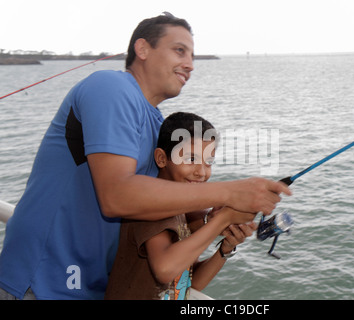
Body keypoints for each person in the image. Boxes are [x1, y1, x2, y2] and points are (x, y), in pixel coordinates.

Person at [0, 13, 290, 300]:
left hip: (89, 286)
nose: (190, 64)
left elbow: (154, 205)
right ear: (142, 49)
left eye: (192, 55)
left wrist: (210, 219)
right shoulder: (110, 88)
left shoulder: (157, 125)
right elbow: (117, 196)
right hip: (38, 281)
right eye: (179, 50)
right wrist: (230, 194)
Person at [105, 112, 256, 300]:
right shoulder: (151, 206)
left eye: (208, 162)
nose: (201, 172)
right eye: (191, 159)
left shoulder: (181, 210)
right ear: (161, 159)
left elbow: (186, 284)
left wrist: (225, 248)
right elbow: (165, 269)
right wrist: (223, 219)